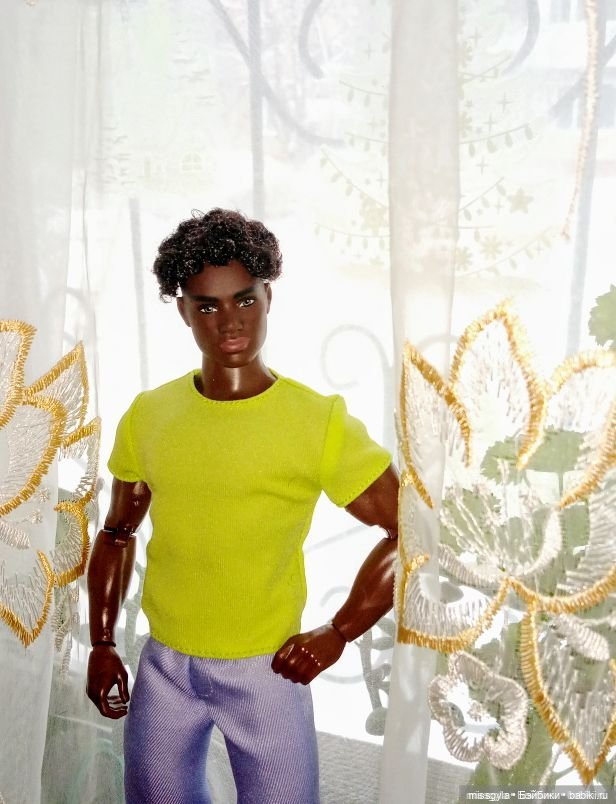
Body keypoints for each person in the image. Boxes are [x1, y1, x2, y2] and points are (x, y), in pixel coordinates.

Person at [86, 208, 399, 804]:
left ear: (268, 297)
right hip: (165, 666)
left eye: (245, 300)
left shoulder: (316, 422)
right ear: (183, 311)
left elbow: (406, 529)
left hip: (267, 670)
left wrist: (339, 632)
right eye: (207, 306)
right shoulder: (151, 416)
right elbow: (118, 532)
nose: (229, 321)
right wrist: (102, 644)